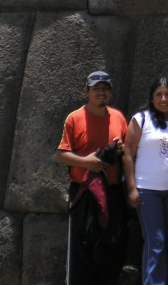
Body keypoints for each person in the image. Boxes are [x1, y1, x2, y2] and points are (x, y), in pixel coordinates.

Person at [56, 70, 129, 285]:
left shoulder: (118, 118)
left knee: (112, 247)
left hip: (112, 189)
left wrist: (120, 150)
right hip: (83, 191)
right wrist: (86, 162)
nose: (101, 92)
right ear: (86, 91)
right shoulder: (75, 118)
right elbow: (61, 154)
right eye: (96, 88)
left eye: (105, 88)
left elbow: (127, 152)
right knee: (81, 249)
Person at [123, 77, 168, 285]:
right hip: (146, 190)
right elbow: (127, 154)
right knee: (156, 241)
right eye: (159, 94)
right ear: (151, 98)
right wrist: (132, 188)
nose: (163, 98)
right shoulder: (141, 120)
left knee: (162, 242)